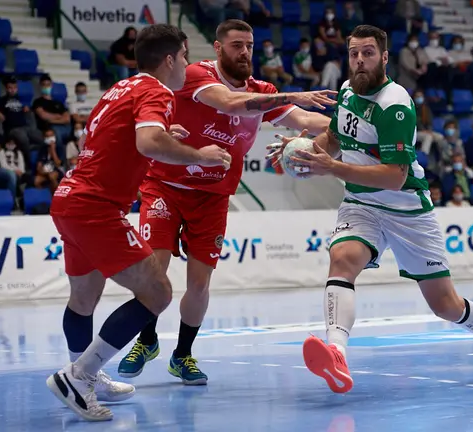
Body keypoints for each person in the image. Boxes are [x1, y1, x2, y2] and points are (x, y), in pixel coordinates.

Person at [270, 25, 473, 394]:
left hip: (407, 210)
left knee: (445, 305)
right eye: (353, 53)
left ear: (384, 57)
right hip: (362, 203)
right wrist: (305, 151)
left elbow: (395, 177)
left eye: (367, 52)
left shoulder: (394, 104)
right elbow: (334, 137)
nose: (359, 60)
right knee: (342, 259)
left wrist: (332, 168)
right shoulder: (348, 91)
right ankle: (337, 352)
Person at [116, 19, 336, 385]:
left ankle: (182, 355)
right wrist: (291, 95)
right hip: (165, 185)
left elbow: (305, 118)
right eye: (237, 45)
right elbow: (232, 102)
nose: (245, 52)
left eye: (249, 45)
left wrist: (347, 124)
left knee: (199, 284)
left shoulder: (262, 89)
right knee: (155, 268)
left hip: (214, 197)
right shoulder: (196, 74)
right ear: (218, 49)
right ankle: (147, 339)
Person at [45, 24, 232, 422]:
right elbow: (148, 143)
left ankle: (86, 376)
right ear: (169, 59)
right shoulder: (158, 91)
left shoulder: (121, 88)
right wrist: (198, 153)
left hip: (68, 199)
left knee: (83, 298)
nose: (187, 64)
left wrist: (167, 134)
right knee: (159, 293)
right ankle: (80, 376)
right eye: (184, 56)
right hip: (96, 207)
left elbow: (107, 141)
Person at [0, 77, 42, 170]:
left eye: (14, 88)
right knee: (23, 139)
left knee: (43, 139)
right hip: (12, 129)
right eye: (10, 88)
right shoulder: (1, 100)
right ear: (6, 89)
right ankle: (28, 165)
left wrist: (26, 110)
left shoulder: (20, 99)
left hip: (25, 127)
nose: (12, 90)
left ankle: (38, 157)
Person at [33, 75, 71, 159]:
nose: (46, 87)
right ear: (41, 86)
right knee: (57, 134)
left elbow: (67, 119)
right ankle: (61, 161)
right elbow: (43, 116)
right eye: (44, 85)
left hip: (64, 127)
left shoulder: (58, 102)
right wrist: (58, 117)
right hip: (48, 128)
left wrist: (53, 119)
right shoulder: (38, 102)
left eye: (48, 85)